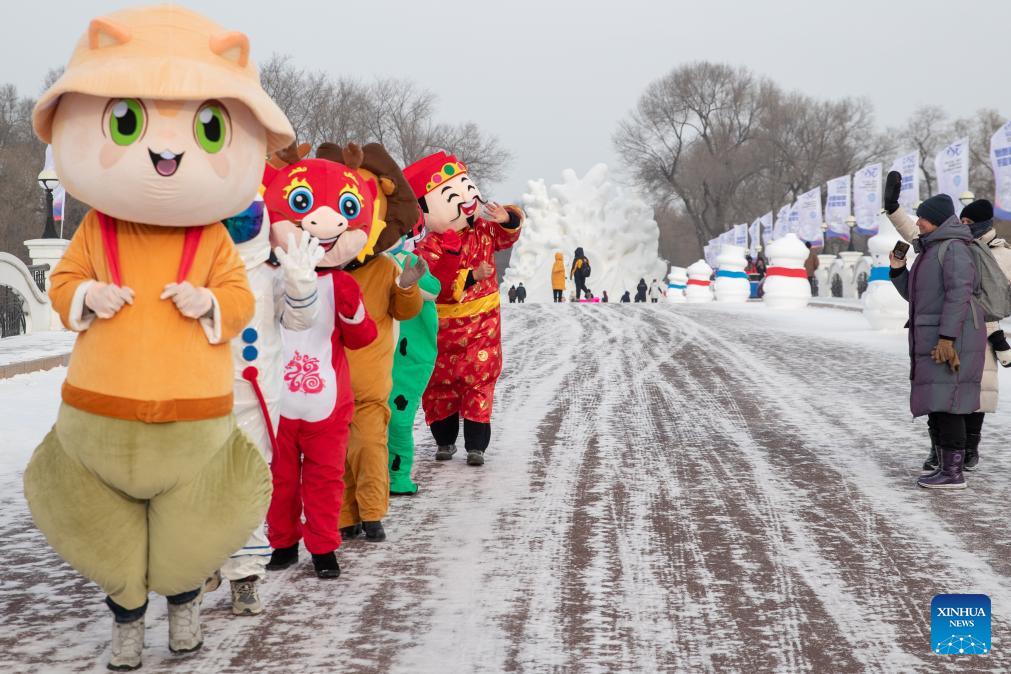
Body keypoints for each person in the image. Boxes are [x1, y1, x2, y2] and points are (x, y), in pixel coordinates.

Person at [20, 8, 289, 669]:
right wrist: (87, 295)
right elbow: (63, 285)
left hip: (192, 419)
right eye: (128, 122)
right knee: (106, 531)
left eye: (206, 129)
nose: (167, 151)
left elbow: (238, 298)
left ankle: (185, 607)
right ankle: (127, 620)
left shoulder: (211, 237)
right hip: (100, 413)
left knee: (189, 531)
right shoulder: (99, 229)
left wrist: (209, 302)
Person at [261, 149, 383, 575]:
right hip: (276, 399)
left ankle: (323, 547)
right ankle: (282, 542)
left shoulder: (343, 282)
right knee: (278, 478)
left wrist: (351, 310)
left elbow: (363, 338)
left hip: (328, 403)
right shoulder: (270, 276)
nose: (326, 223)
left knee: (326, 477)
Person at [885, 172, 1011, 472]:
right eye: (961, 220)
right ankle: (942, 452)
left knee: (974, 395)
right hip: (954, 328)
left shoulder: (993, 253)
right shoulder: (950, 244)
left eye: (969, 222)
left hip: (977, 331)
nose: (964, 225)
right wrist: (893, 209)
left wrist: (992, 335)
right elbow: (917, 231)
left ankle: (966, 451)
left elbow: (979, 297)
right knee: (945, 394)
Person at [408, 151, 525, 467]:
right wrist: (471, 276)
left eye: (468, 188)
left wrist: (506, 218)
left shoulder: (484, 230)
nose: (466, 200)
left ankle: (476, 446)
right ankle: (444, 441)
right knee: (439, 387)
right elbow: (433, 282)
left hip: (482, 326)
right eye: (452, 196)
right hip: (442, 329)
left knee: (479, 381)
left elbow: (508, 235)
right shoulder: (430, 245)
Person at [889, 194, 987, 489]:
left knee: (948, 402)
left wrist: (947, 338)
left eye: (923, 217)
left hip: (952, 338)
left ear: (937, 219)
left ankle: (953, 472)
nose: (918, 222)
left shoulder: (954, 248)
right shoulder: (931, 249)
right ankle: (946, 467)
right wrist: (898, 269)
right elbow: (917, 298)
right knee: (938, 401)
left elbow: (959, 294)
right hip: (935, 335)